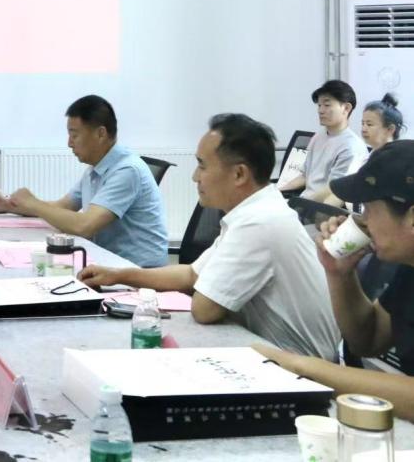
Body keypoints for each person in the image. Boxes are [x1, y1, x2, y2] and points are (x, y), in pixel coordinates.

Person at [79, 114, 339, 359]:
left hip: (300, 371)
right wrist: (118, 276)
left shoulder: (259, 222)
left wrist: (199, 288)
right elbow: (191, 274)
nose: (195, 176)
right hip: (270, 351)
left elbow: (205, 309)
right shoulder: (255, 210)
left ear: (239, 174)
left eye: (202, 165)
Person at [256, 139, 414, 420]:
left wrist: (303, 366)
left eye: (368, 209)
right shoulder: (409, 268)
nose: (363, 221)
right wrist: (340, 274)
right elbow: (369, 340)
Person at [0, 95, 168, 267]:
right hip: (109, 263)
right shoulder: (95, 169)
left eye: (74, 135)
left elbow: (84, 226)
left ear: (101, 134)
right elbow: (62, 208)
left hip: (139, 272)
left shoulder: (127, 170)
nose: (69, 143)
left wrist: (34, 204)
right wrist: (7, 205)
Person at [278, 79, 368, 206]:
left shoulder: (351, 147)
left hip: (321, 208)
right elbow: (305, 176)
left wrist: (298, 205)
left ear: (346, 108)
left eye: (327, 105)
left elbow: (334, 191)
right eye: (319, 105)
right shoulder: (318, 136)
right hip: (304, 201)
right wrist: (277, 191)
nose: (320, 110)